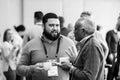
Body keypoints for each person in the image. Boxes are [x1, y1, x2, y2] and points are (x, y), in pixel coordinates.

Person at [17, 12, 78, 80]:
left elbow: (79, 69)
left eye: (57, 25)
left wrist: (74, 62)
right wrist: (32, 68)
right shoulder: (31, 45)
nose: (55, 28)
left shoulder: (69, 43)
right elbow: (19, 69)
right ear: (43, 26)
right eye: (51, 25)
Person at [106, 15, 120, 80]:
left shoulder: (117, 35)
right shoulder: (110, 33)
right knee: (111, 72)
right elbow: (107, 44)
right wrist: (110, 54)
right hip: (111, 55)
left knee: (115, 72)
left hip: (116, 55)